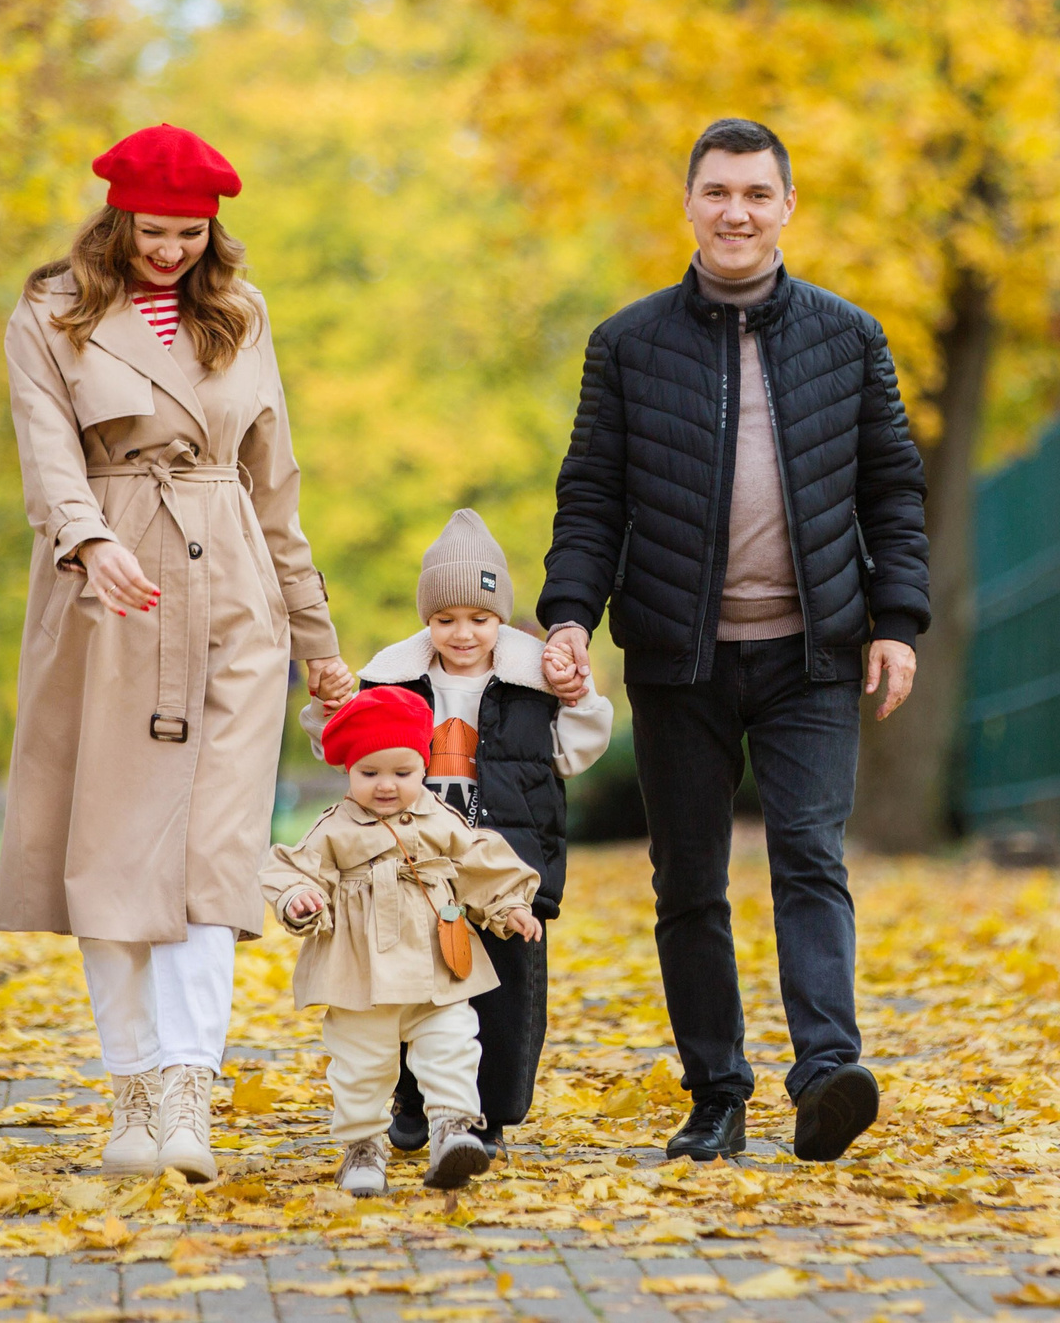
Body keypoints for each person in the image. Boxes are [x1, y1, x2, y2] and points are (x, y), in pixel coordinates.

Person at [537, 117, 930, 1164]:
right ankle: (716, 1092)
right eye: (718, 192)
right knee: (689, 882)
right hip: (680, 654)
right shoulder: (627, 344)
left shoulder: (848, 336)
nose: (737, 211)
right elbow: (592, 497)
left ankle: (825, 1072)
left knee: (808, 851)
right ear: (690, 203)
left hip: (813, 649)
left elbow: (891, 487)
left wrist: (896, 622)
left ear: (787, 206)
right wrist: (568, 614)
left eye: (757, 193)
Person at [0, 123, 356, 1184]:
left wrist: (318, 638)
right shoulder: (51, 311)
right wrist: (88, 538)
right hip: (109, 595)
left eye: (191, 234)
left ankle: (189, 1097)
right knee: (110, 860)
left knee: (211, 858)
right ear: (116, 218)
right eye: (153, 231)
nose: (170, 251)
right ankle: (133, 1098)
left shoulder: (241, 313)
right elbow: (44, 447)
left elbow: (273, 481)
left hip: (234, 593)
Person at [301, 510, 613, 1157]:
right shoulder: (398, 683)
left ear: (500, 617)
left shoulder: (533, 686)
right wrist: (329, 705)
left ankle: (486, 1116)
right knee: (418, 985)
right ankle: (414, 1104)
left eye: (479, 617)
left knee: (502, 996)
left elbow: (576, 752)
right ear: (428, 622)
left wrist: (579, 699)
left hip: (508, 861)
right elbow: (347, 745)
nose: (462, 633)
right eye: (445, 620)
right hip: (413, 864)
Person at [264, 686, 544, 1196]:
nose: (387, 786)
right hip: (360, 972)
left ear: (424, 768)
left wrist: (511, 906)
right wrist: (300, 898)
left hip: (437, 965)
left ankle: (452, 1129)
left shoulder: (440, 819)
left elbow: (480, 863)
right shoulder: (334, 828)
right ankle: (363, 1148)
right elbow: (293, 868)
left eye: (403, 772)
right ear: (348, 772)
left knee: (452, 1043)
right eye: (369, 773)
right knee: (361, 1063)